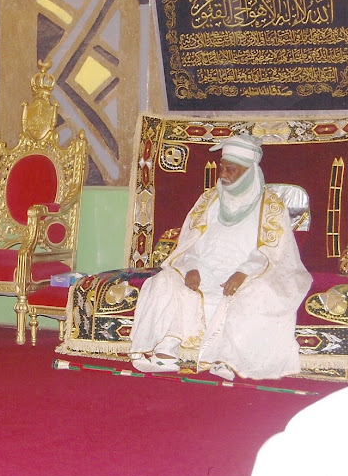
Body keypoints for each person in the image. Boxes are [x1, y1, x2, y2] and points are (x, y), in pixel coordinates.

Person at [129, 135, 312, 380]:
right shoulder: (208, 200)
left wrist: (243, 273)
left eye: (230, 169)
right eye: (222, 167)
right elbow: (189, 243)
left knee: (257, 295)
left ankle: (227, 358)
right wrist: (191, 267)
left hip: (249, 273)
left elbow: (273, 252)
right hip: (203, 270)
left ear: (248, 172)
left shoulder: (270, 206)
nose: (222, 174)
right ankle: (166, 351)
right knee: (163, 282)